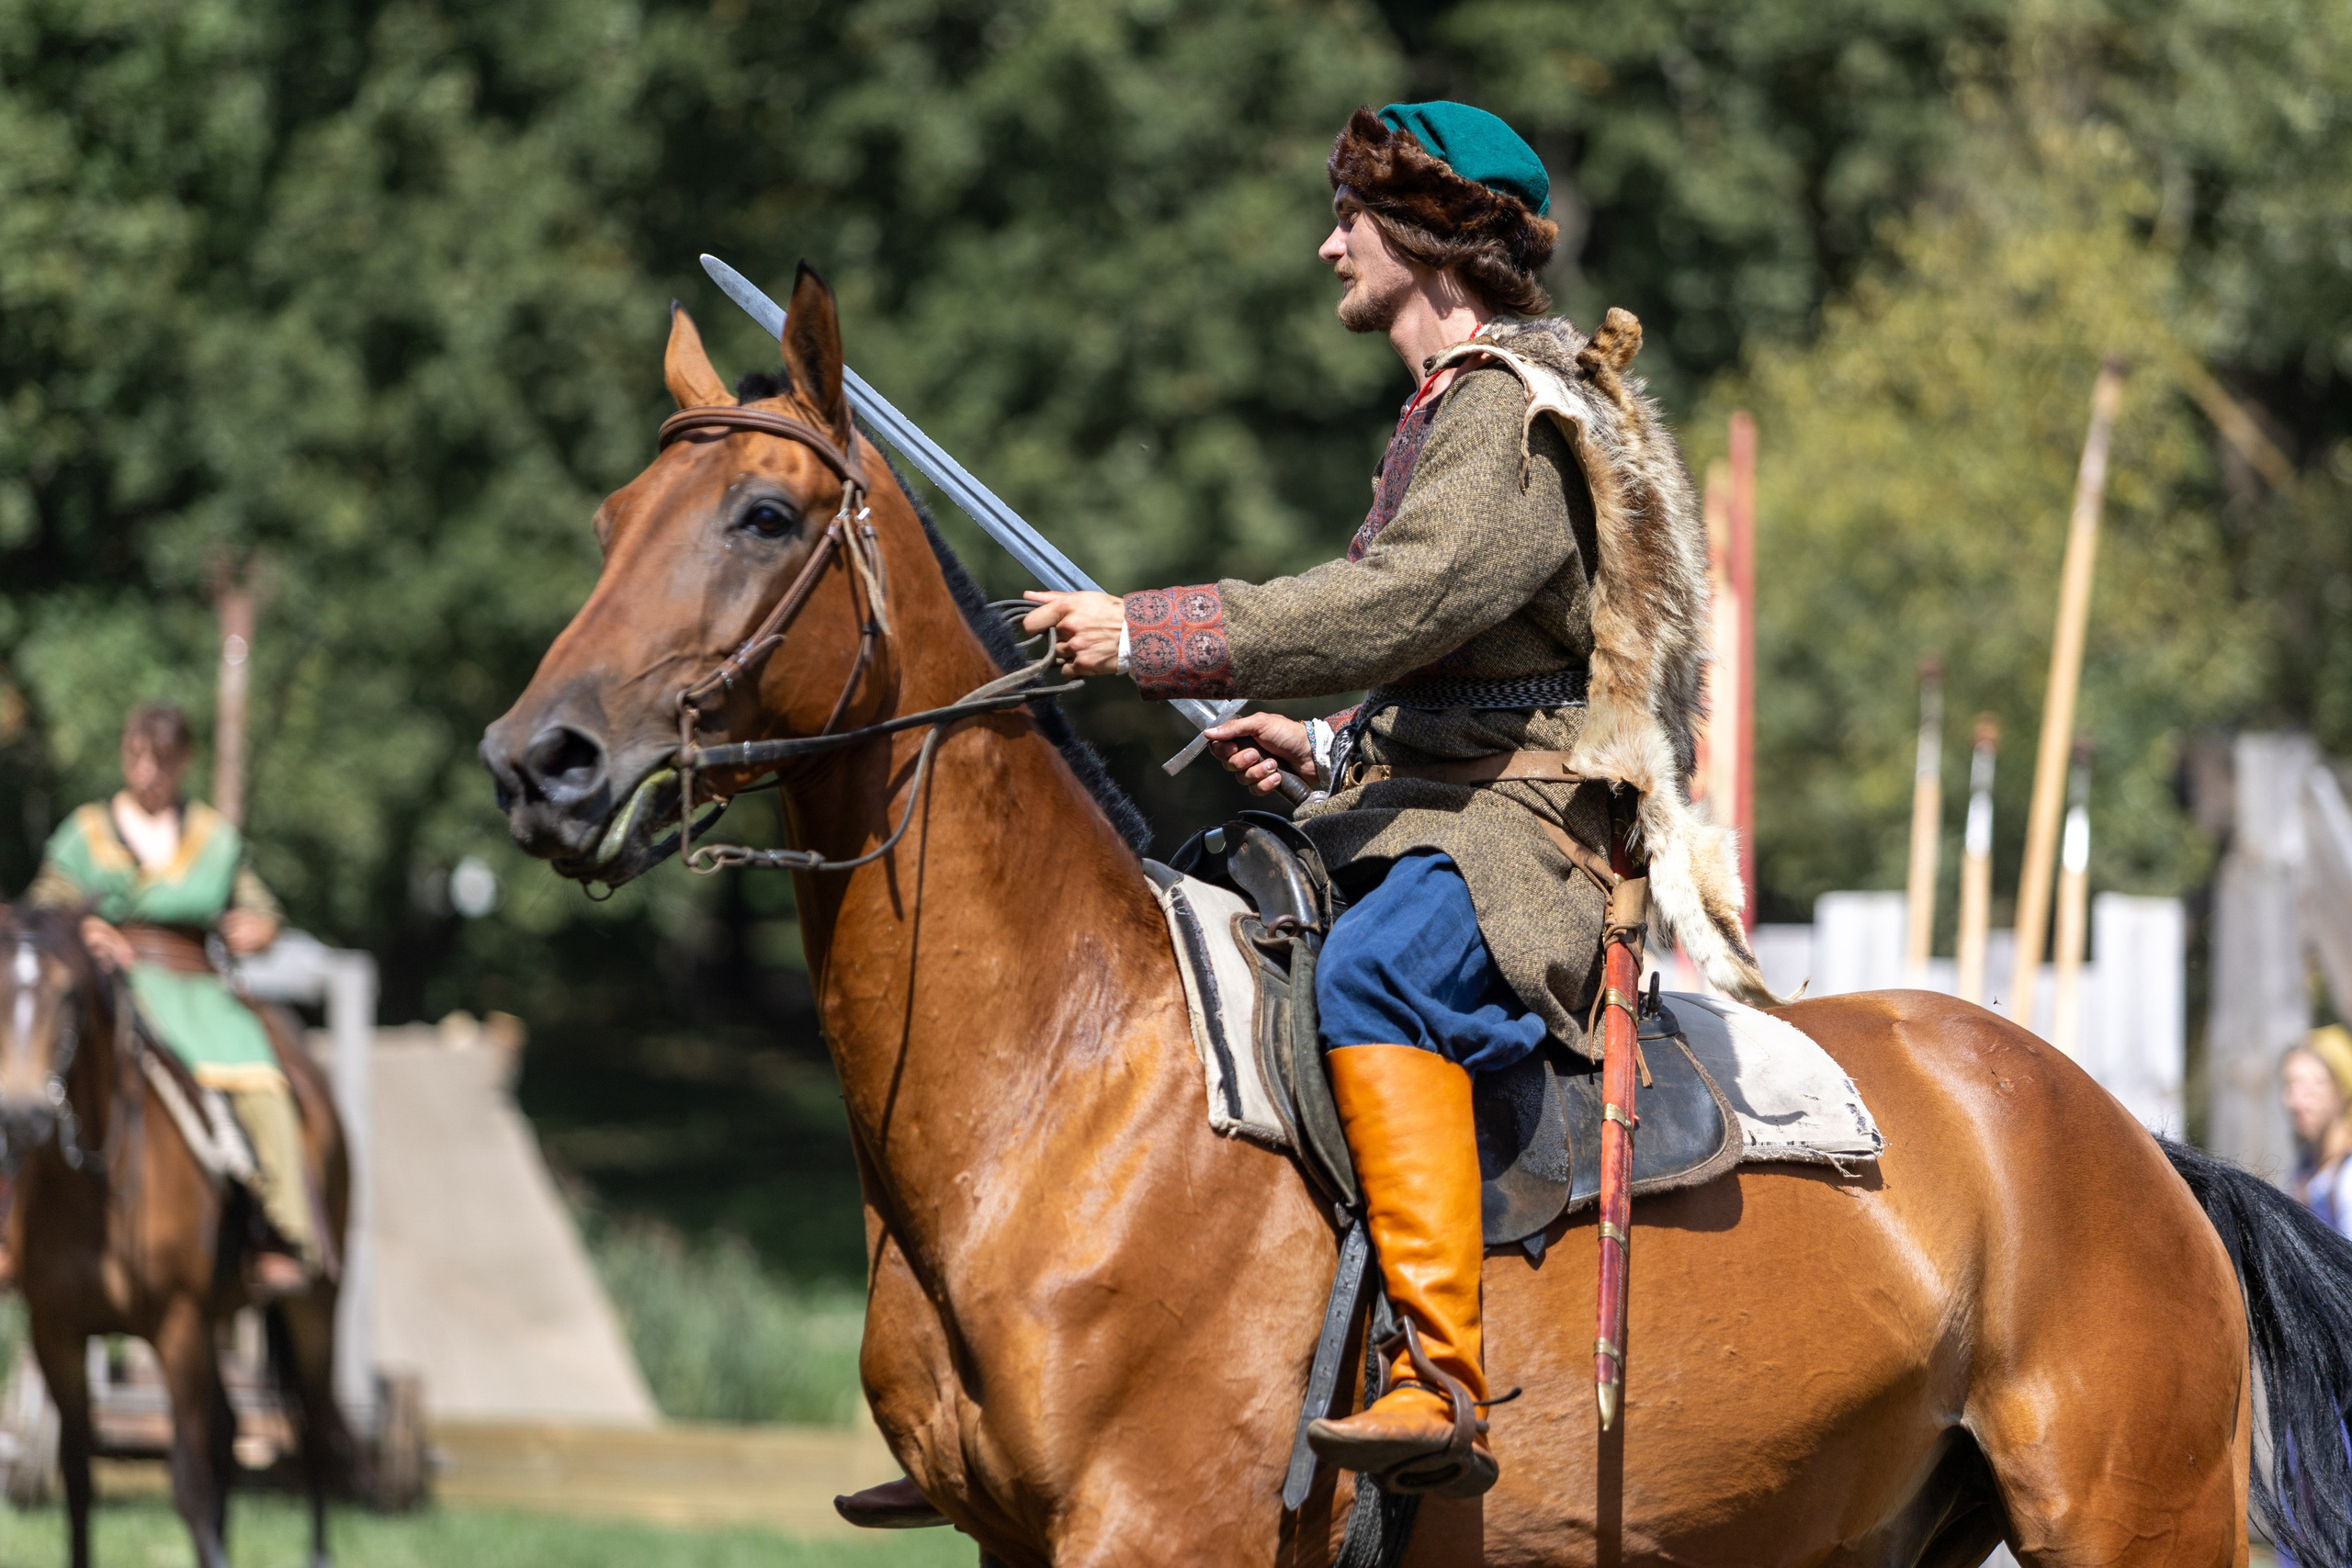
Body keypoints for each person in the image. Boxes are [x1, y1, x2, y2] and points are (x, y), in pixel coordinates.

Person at [1022, 102, 1770, 1497]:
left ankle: (1440, 1379)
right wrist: (1321, 751)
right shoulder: (1451, 410)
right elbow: (1457, 668)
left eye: (1348, 221)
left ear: (1425, 236)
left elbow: (1407, 601)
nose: (1326, 247)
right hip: (1433, 806)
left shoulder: (1512, 407)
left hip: (1528, 846)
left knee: (1373, 972)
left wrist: (1148, 631)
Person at [26, 703, 318, 1296]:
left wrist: (259, 928)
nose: (147, 772)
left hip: (196, 991)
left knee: (264, 1085)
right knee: (25, 1074)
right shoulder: (86, 833)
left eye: (161, 760)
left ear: (184, 760)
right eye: (136, 756)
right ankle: (14, 1228)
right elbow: (43, 910)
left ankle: (276, 1229)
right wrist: (84, 931)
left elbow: (260, 908)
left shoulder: (214, 837)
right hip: (108, 990)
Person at [2283, 1025, 2352, 1238]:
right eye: (2289, 1085)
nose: (2295, 1101)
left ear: (2341, 1089)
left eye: (2312, 1086)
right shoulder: (2306, 1166)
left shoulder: (2347, 1179)